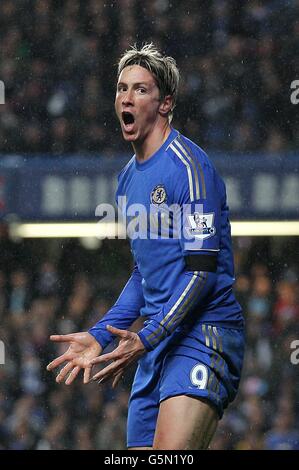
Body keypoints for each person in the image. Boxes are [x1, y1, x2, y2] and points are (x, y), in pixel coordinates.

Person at [47, 43, 245, 450]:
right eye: (122, 88)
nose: (127, 98)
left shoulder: (191, 169)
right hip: (153, 348)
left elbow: (201, 272)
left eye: (140, 89)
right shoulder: (126, 180)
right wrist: (102, 334)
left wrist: (149, 336)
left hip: (202, 335)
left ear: (165, 102)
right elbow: (144, 274)